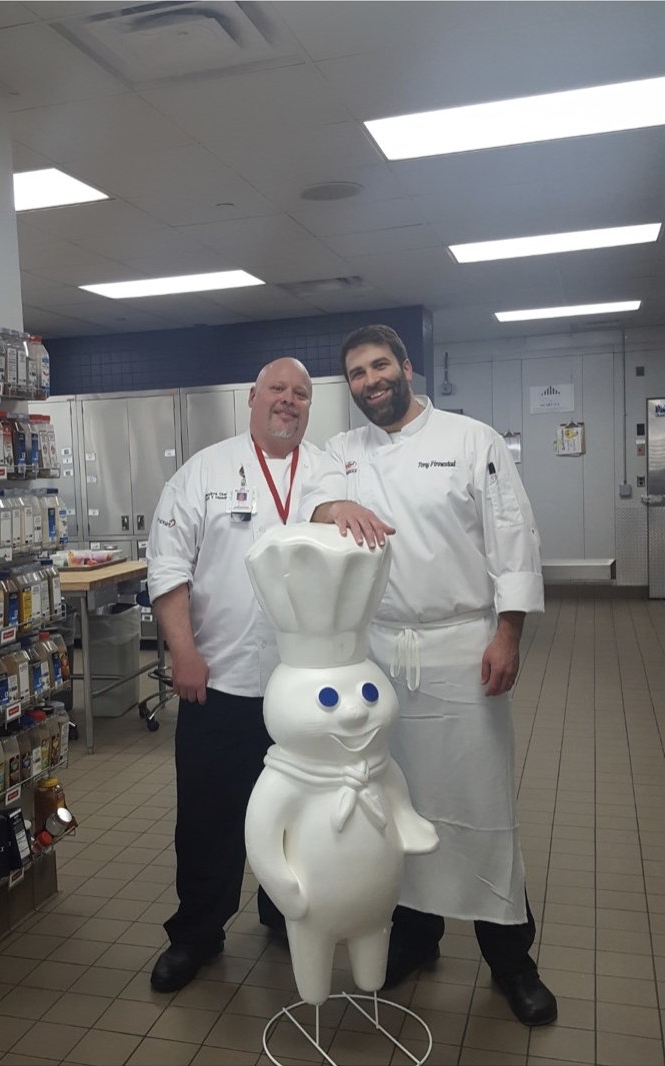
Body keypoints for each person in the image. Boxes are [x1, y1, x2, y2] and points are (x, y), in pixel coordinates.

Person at [300, 324, 557, 1027]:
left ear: (406, 368)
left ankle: (511, 958)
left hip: (459, 646)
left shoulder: (470, 441)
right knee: (392, 801)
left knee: (479, 803)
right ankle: (416, 933)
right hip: (378, 653)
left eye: (380, 365)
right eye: (355, 373)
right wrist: (332, 507)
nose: (370, 380)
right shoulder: (341, 453)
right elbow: (306, 503)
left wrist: (508, 632)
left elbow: (515, 539)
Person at [146, 357, 326, 993]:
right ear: (253, 397)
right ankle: (197, 932)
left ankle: (285, 911)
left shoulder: (330, 471)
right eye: (277, 389)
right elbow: (169, 567)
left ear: (311, 406)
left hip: (304, 691)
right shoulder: (204, 472)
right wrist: (183, 653)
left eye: (301, 394)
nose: (288, 401)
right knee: (207, 816)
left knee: (301, 816)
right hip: (216, 682)